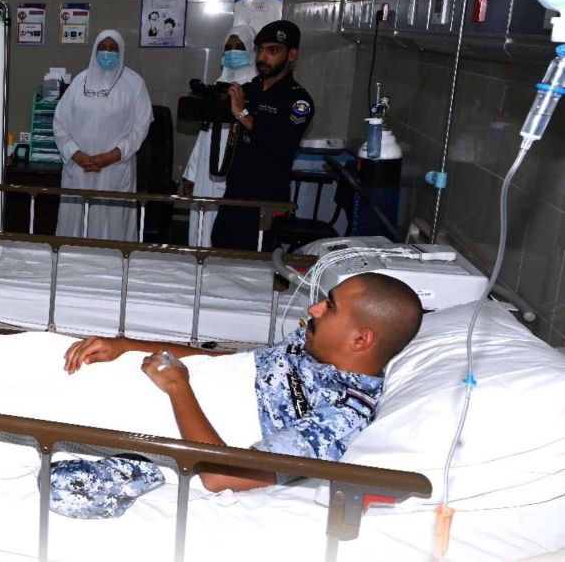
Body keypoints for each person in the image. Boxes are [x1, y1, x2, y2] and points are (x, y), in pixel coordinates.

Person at [51, 272, 422, 518]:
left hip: (168, 406)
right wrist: (126, 346)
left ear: (360, 339)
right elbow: (227, 362)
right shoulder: (309, 347)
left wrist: (178, 387)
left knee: (34, 405)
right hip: (162, 377)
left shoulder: (341, 417)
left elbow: (222, 476)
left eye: (330, 306)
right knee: (40, 354)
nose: (313, 309)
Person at [211, 20, 315, 251]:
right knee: (220, 255)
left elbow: (281, 145)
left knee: (254, 264)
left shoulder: (298, 100)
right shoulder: (250, 90)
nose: (263, 58)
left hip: (266, 202)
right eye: (260, 50)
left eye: (273, 51)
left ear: (292, 55)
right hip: (234, 195)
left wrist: (243, 114)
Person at [53, 29, 153, 241]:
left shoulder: (134, 84)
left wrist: (112, 156)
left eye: (113, 48)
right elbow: (59, 123)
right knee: (75, 228)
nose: (107, 53)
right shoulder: (79, 82)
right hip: (79, 169)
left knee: (112, 229)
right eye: (103, 48)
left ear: (121, 51)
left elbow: (140, 128)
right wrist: (76, 154)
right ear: (95, 50)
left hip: (114, 169)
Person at [181, 24, 257, 246]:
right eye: (228, 47)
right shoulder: (217, 85)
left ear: (250, 50)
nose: (233, 52)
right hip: (207, 167)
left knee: (226, 228)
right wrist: (191, 174)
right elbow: (204, 133)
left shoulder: (256, 88)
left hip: (236, 170)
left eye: (239, 47)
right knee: (202, 224)